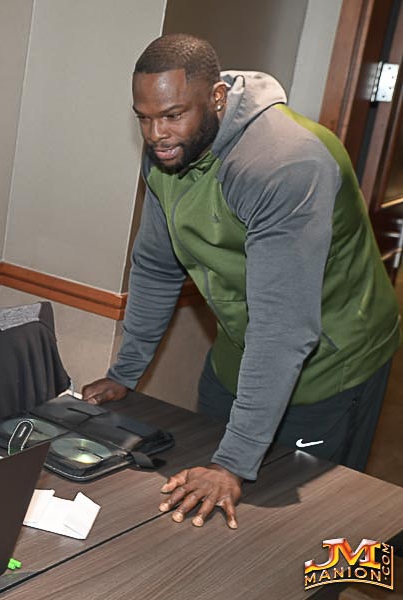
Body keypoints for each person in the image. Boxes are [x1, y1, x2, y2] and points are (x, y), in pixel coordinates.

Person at [82, 34, 400, 529]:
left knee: (307, 525)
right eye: (144, 118)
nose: (156, 134)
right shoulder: (169, 151)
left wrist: (232, 463)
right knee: (204, 490)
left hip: (332, 360)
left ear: (216, 97)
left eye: (172, 115)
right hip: (240, 349)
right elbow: (156, 265)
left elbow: (284, 328)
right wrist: (125, 372)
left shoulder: (285, 163)